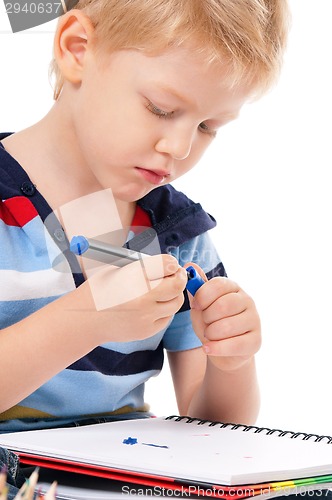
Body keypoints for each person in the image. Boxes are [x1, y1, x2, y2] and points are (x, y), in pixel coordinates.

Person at [0, 0, 290, 497]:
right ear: (78, 49)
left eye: (206, 127)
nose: (179, 147)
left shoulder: (178, 232)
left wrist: (232, 359)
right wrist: (89, 317)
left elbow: (215, 433)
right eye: (161, 108)